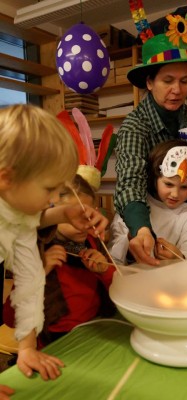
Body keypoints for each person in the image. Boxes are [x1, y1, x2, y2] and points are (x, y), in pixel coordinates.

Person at [0, 104, 108, 382]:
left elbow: (29, 285)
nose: (51, 198)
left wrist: (27, 348)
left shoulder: (22, 220)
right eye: (50, 190)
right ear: (6, 179)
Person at [114, 10, 187, 266]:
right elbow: (129, 183)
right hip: (146, 218)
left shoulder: (186, 115)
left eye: (184, 81)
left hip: (181, 215)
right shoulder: (135, 126)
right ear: (149, 82)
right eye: (168, 80)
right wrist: (141, 228)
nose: (177, 90)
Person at [4, 174, 115, 347]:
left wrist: (105, 271)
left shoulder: (92, 242)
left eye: (90, 216)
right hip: (56, 344)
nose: (84, 225)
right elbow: (10, 319)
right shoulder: (36, 253)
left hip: (97, 331)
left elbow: (116, 288)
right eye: (74, 217)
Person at [109, 140, 187, 265]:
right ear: (155, 178)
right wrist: (129, 241)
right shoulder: (136, 208)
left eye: (184, 187)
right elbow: (113, 257)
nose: (175, 194)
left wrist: (180, 258)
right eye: (168, 184)